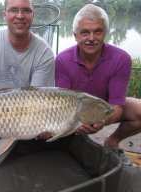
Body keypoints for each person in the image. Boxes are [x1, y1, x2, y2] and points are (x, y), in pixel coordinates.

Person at [55, 4, 141, 165]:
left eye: (98, 31)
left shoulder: (121, 59)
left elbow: (117, 106)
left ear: (105, 33)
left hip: (105, 106)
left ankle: (112, 142)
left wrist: (102, 122)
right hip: (73, 109)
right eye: (85, 32)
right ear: (75, 35)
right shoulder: (63, 59)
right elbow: (63, 103)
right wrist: (79, 124)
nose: (91, 38)